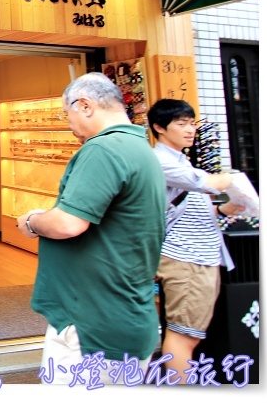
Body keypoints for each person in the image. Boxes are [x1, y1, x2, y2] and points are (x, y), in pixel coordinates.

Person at [16, 72, 165, 385]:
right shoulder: (141, 149)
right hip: (126, 311)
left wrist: (32, 221)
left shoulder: (103, 150)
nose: (66, 121)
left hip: (90, 323)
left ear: (84, 105)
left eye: (65, 113)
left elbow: (69, 223)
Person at [147, 98, 244, 384]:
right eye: (181, 123)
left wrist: (224, 208)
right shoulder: (161, 160)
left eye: (192, 123)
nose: (190, 130)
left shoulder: (179, 159)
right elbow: (207, 183)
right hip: (187, 258)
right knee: (183, 337)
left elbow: (189, 205)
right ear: (159, 127)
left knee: (187, 333)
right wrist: (232, 179)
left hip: (197, 255)